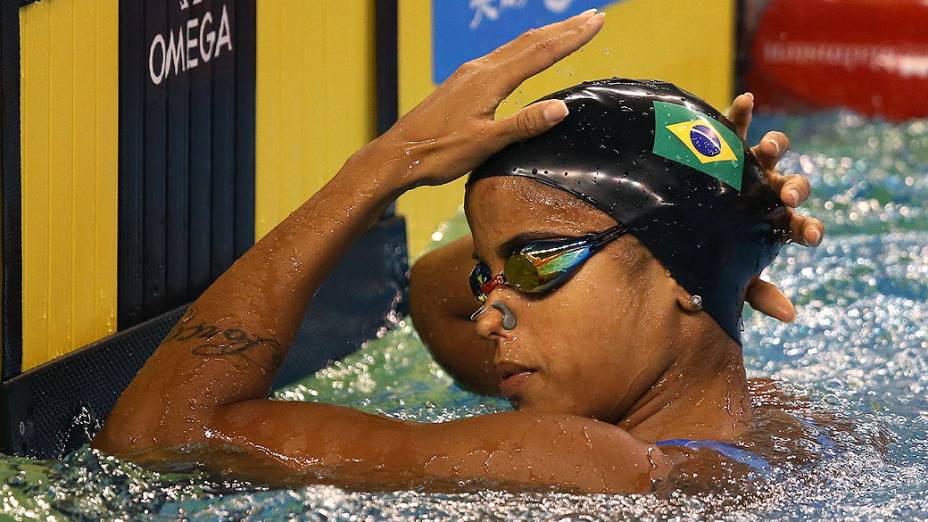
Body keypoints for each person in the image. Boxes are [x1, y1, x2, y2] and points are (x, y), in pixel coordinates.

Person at [93, 10, 824, 493]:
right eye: (487, 273)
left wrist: (385, 166)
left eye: (538, 261)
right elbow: (435, 299)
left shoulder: (593, 465)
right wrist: (716, 229)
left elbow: (161, 435)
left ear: (680, 274)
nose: (484, 315)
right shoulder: (791, 426)